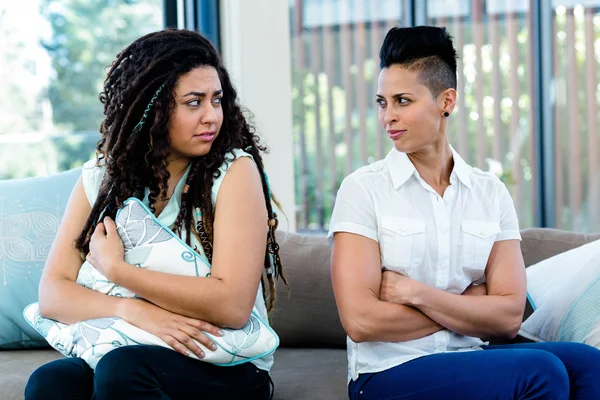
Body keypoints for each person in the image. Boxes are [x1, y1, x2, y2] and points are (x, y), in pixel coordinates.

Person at [329, 26, 600, 400]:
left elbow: (506, 319)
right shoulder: (363, 190)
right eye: (382, 102)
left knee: (588, 363)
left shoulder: (490, 193)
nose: (387, 116)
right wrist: (468, 307)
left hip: (470, 356)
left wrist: (416, 293)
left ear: (447, 101)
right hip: (388, 372)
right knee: (540, 371)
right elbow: (361, 321)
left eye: (402, 101)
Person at [25, 28, 287, 400]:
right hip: (133, 337)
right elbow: (52, 294)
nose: (212, 116)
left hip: (223, 359)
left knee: (124, 370)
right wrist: (133, 312)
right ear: (154, 107)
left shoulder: (234, 171)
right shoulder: (102, 177)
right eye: (193, 102)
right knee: (51, 382)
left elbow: (232, 306)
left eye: (217, 100)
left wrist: (119, 271)